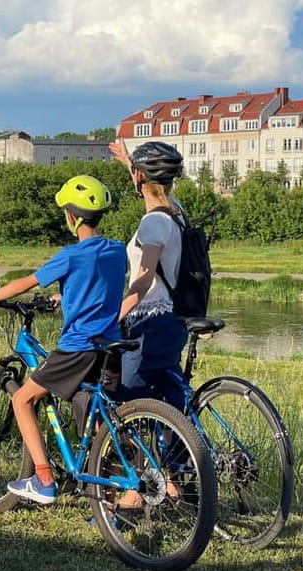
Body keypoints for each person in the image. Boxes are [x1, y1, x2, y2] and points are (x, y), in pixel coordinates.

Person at [0, 175, 126, 504]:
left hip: (79, 347)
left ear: (71, 216)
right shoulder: (117, 251)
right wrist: (64, 297)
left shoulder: (71, 255)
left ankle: (43, 480)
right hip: (111, 345)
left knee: (23, 399)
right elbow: (97, 286)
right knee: (99, 425)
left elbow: (26, 283)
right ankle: (110, 501)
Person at [108, 140, 188, 412]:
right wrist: (129, 160)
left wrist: (113, 316)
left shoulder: (152, 222)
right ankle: (184, 453)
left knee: (127, 406)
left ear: (139, 176)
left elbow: (143, 279)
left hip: (148, 326)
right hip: (173, 322)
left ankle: (124, 453)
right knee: (172, 403)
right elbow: (152, 180)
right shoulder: (176, 212)